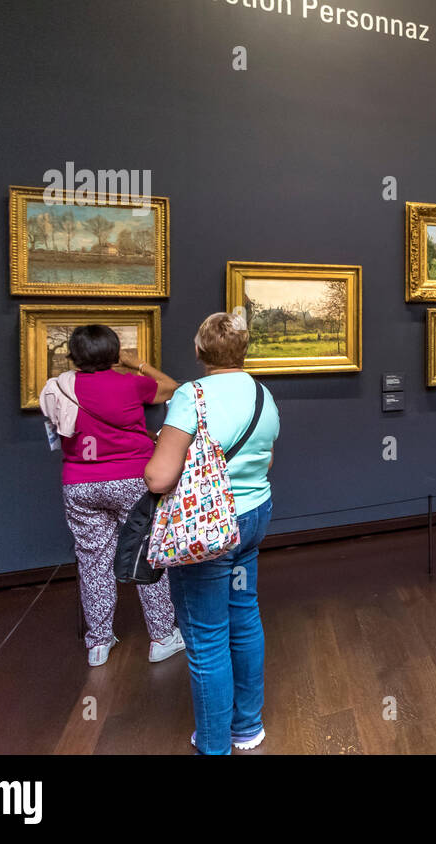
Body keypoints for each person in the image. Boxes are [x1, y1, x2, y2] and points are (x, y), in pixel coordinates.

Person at [144, 313, 281, 755]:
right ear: (243, 350)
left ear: (200, 351)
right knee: (244, 618)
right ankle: (248, 728)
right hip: (254, 515)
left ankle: (214, 744)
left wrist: (157, 450)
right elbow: (266, 462)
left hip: (206, 526)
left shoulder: (192, 395)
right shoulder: (263, 393)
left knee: (205, 636)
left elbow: (159, 479)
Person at [38, 325, 184, 667]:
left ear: (72, 355)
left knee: (93, 562)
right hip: (131, 480)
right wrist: (137, 364)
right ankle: (162, 637)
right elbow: (172, 389)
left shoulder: (58, 387)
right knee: (146, 555)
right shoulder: (130, 383)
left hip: (80, 484)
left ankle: (99, 643)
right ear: (115, 354)